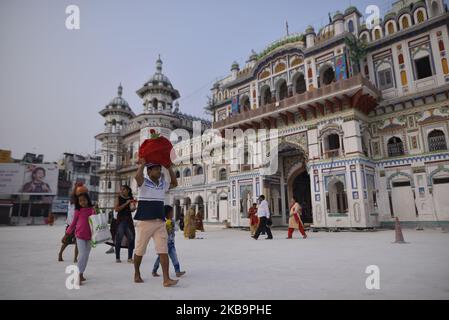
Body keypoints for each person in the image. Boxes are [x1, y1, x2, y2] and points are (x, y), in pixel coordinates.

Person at [133, 159, 179, 287]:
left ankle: (166, 279)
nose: (159, 171)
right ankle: (137, 273)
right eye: (156, 169)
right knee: (140, 251)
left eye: (159, 169)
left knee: (163, 250)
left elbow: (175, 183)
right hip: (145, 222)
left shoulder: (162, 184)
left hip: (160, 222)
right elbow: (137, 176)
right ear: (149, 171)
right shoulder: (143, 183)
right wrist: (143, 163)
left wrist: (169, 168)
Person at [64, 193, 95, 285]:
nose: (82, 202)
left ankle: (81, 273)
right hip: (80, 235)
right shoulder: (78, 210)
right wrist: (67, 234)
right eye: (80, 201)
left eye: (84, 200)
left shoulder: (91, 210)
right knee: (82, 255)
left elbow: (95, 221)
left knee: (86, 256)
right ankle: (77, 274)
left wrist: (95, 211)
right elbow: (73, 223)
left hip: (90, 236)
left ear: (88, 200)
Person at [152, 205, 186, 278]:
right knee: (159, 259)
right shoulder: (162, 221)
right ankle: (154, 270)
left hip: (171, 243)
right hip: (163, 244)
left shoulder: (172, 220)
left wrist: (172, 224)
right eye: (171, 212)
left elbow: (177, 229)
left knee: (174, 257)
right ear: (166, 213)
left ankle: (177, 271)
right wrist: (166, 226)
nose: (172, 214)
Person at [114, 185, 136, 263]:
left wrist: (133, 207)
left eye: (123, 189)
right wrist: (126, 203)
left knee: (132, 238)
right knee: (119, 238)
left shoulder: (131, 199)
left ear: (128, 190)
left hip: (129, 220)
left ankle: (129, 258)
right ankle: (117, 257)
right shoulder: (119, 198)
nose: (122, 191)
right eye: (121, 189)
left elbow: (132, 210)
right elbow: (116, 209)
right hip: (121, 220)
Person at [58, 189, 78, 262]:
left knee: (76, 242)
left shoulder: (72, 203)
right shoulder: (73, 204)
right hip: (72, 225)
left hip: (74, 225)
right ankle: (60, 254)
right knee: (67, 242)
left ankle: (75, 258)